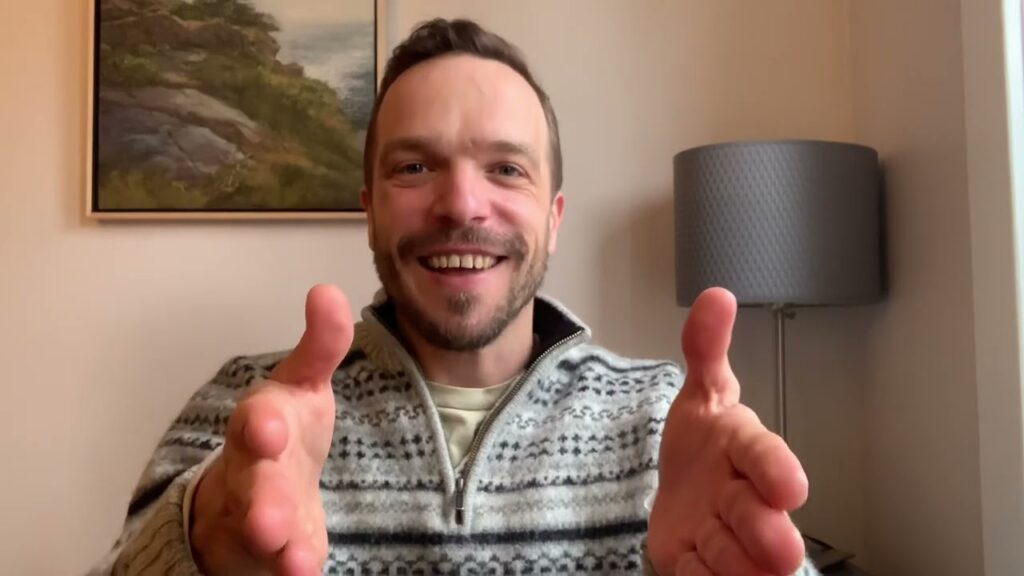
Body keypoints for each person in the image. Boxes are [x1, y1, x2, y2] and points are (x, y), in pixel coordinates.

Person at [91, 18, 818, 576]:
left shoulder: (667, 421)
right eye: (415, 166)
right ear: (370, 207)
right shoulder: (246, 411)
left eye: (505, 168)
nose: (462, 204)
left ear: (554, 218)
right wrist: (201, 545)